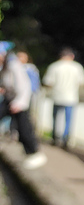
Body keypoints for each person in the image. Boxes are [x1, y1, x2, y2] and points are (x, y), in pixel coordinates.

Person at [0, 41, 47, 169]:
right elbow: (6, 83)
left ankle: (34, 153)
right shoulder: (5, 66)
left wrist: (19, 103)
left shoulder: (14, 65)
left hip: (19, 101)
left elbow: (24, 86)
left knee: (24, 128)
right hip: (10, 99)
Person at [43, 47, 84, 149]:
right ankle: (65, 138)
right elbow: (82, 82)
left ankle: (55, 137)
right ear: (72, 56)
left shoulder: (54, 66)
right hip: (71, 97)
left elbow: (48, 82)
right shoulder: (77, 67)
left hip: (57, 96)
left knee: (55, 117)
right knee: (68, 119)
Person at [16, 51, 41, 124]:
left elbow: (35, 82)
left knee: (27, 113)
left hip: (29, 94)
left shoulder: (30, 68)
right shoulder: (13, 67)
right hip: (16, 94)